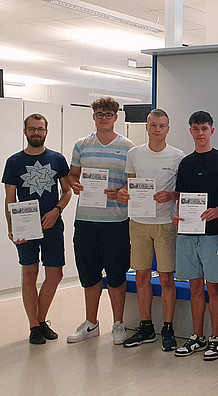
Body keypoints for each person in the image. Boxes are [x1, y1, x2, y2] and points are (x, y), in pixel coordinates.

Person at [66, 97, 134, 345]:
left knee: (116, 274)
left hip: (115, 222)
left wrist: (123, 191)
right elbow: (72, 176)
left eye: (108, 114)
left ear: (116, 117)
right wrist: (74, 185)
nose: (104, 118)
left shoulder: (128, 147)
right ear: (93, 117)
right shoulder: (81, 145)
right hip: (86, 221)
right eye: (99, 114)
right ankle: (91, 323)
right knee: (89, 274)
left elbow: (133, 180)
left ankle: (118, 323)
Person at [116, 109, 185, 351]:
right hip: (138, 222)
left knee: (166, 277)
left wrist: (171, 195)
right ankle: (146, 326)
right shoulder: (134, 154)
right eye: (153, 125)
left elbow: (182, 193)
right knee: (142, 275)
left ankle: (168, 327)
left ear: (168, 129)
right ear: (147, 127)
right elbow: (130, 184)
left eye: (162, 126)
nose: (157, 129)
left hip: (165, 223)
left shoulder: (178, 156)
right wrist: (124, 193)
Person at [2, 113, 72, 344]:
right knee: (29, 274)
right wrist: (12, 227)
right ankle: (34, 326)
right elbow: (10, 198)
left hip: (52, 223)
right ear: (25, 132)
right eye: (32, 129)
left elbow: (67, 191)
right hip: (26, 225)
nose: (36, 133)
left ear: (46, 132)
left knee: (55, 273)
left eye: (40, 129)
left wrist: (57, 210)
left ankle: (41, 320)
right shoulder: (14, 162)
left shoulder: (57, 159)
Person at [173, 111, 218, 361]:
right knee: (195, 286)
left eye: (204, 128)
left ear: (212, 131)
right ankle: (196, 336)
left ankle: (215, 338)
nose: (200, 133)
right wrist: (178, 216)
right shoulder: (185, 163)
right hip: (188, 233)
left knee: (214, 287)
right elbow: (181, 196)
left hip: (213, 234)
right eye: (196, 128)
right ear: (190, 131)